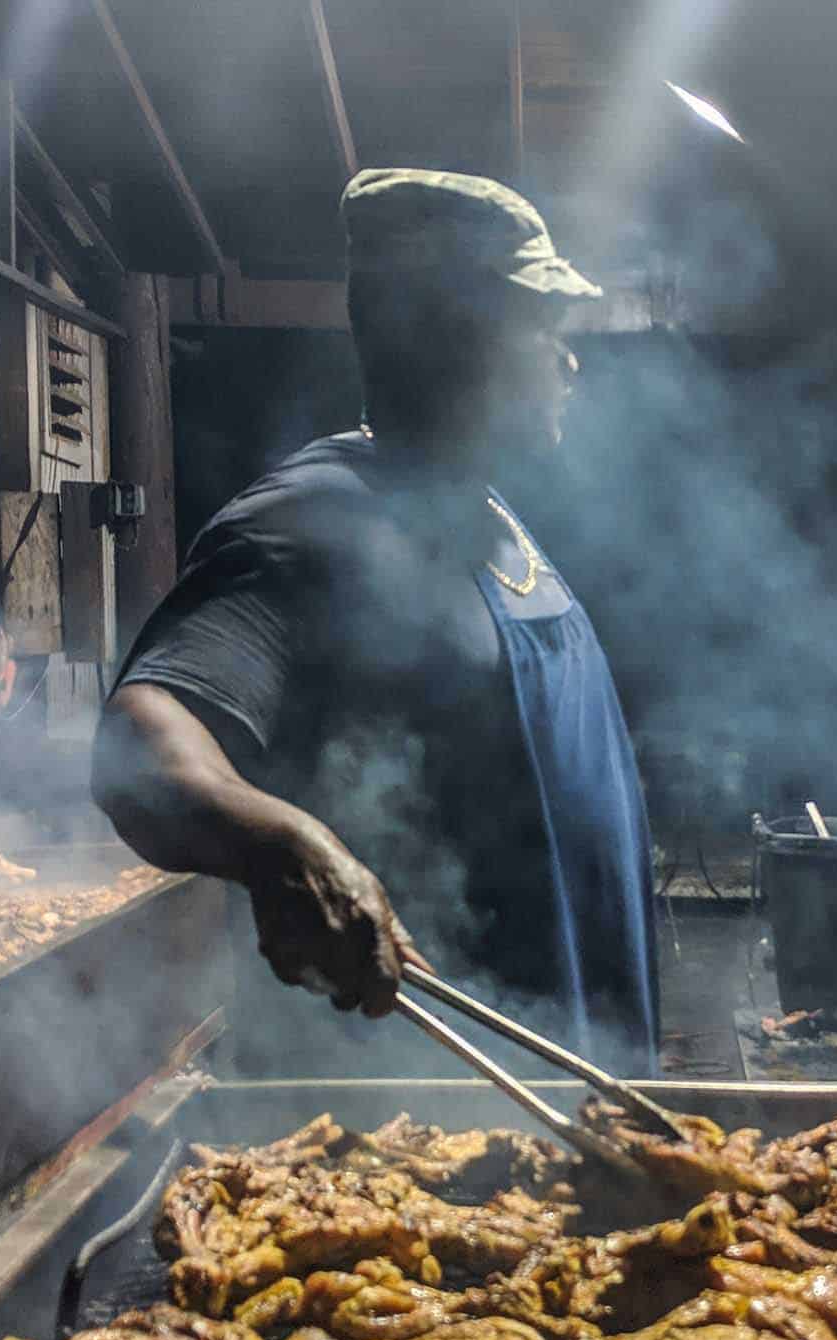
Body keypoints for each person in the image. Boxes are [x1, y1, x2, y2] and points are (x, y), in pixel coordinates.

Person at [93, 168, 658, 1077]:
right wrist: (281, 845)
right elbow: (138, 743)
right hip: (428, 1107)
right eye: (539, 324)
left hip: (570, 1065)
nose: (568, 358)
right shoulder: (309, 521)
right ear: (444, 336)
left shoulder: (483, 509)